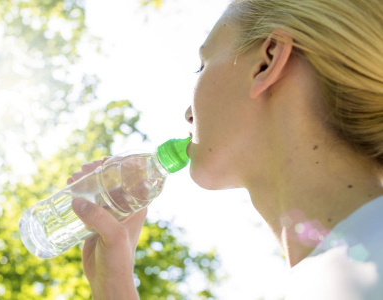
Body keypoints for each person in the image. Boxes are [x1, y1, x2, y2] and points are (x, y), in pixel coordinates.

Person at [68, 0, 383, 299]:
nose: (187, 114)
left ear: (267, 60)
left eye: (202, 65)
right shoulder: (336, 273)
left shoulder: (358, 267)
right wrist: (112, 285)